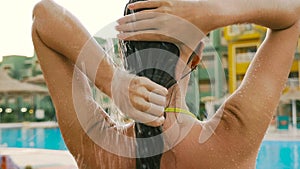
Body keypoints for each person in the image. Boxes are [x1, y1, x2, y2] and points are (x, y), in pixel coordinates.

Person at [32, 0, 300, 168]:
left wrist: (112, 81)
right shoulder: (234, 136)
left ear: (126, 56)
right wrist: (212, 12)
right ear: (196, 57)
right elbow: (292, 15)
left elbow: (44, 16)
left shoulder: (95, 144)